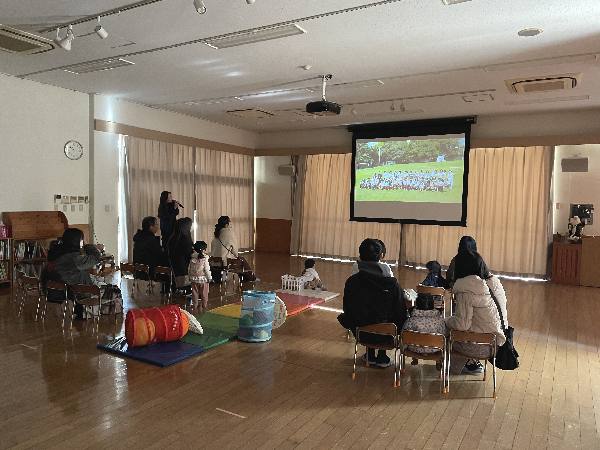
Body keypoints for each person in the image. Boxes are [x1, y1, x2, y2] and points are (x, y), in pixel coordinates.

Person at [338, 238, 407, 368]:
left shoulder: (352, 282)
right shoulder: (392, 284)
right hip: (386, 335)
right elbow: (400, 311)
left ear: (360, 256)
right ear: (381, 256)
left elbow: (347, 309)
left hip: (361, 333)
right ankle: (382, 356)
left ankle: (369, 355)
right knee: (390, 315)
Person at [445, 241, 508, 375]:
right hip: (497, 343)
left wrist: (445, 320)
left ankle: (458, 367)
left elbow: (461, 325)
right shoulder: (494, 282)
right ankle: (469, 363)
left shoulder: (467, 288)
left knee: (447, 330)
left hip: (479, 347)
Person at [44, 228, 103, 318]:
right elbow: (96, 258)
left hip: (54, 291)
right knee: (110, 289)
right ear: (77, 241)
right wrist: (90, 247)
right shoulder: (74, 258)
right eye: (82, 239)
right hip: (74, 293)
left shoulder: (56, 252)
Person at [402, 293, 447, 367]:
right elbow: (444, 335)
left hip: (414, 349)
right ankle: (438, 361)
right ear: (433, 305)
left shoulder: (410, 320)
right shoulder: (440, 321)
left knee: (414, 337)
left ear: (416, 305)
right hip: (434, 349)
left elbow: (404, 335)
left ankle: (415, 358)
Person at [210, 216, 256, 282]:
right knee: (242, 260)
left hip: (214, 261)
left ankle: (245, 277)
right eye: (230, 222)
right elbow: (235, 250)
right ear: (226, 224)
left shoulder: (216, 233)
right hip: (224, 262)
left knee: (239, 261)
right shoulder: (229, 232)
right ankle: (251, 278)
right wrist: (236, 256)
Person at [167, 217, 193, 289]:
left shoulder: (172, 238)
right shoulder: (185, 239)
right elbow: (188, 254)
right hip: (184, 270)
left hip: (175, 270)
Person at [189, 241, 212, 311]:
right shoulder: (205, 258)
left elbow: (189, 268)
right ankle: (204, 306)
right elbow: (207, 269)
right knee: (204, 294)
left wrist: (190, 277)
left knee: (194, 293)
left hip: (193, 279)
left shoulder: (192, 257)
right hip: (203, 279)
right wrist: (209, 278)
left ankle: (195, 306)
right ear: (203, 250)